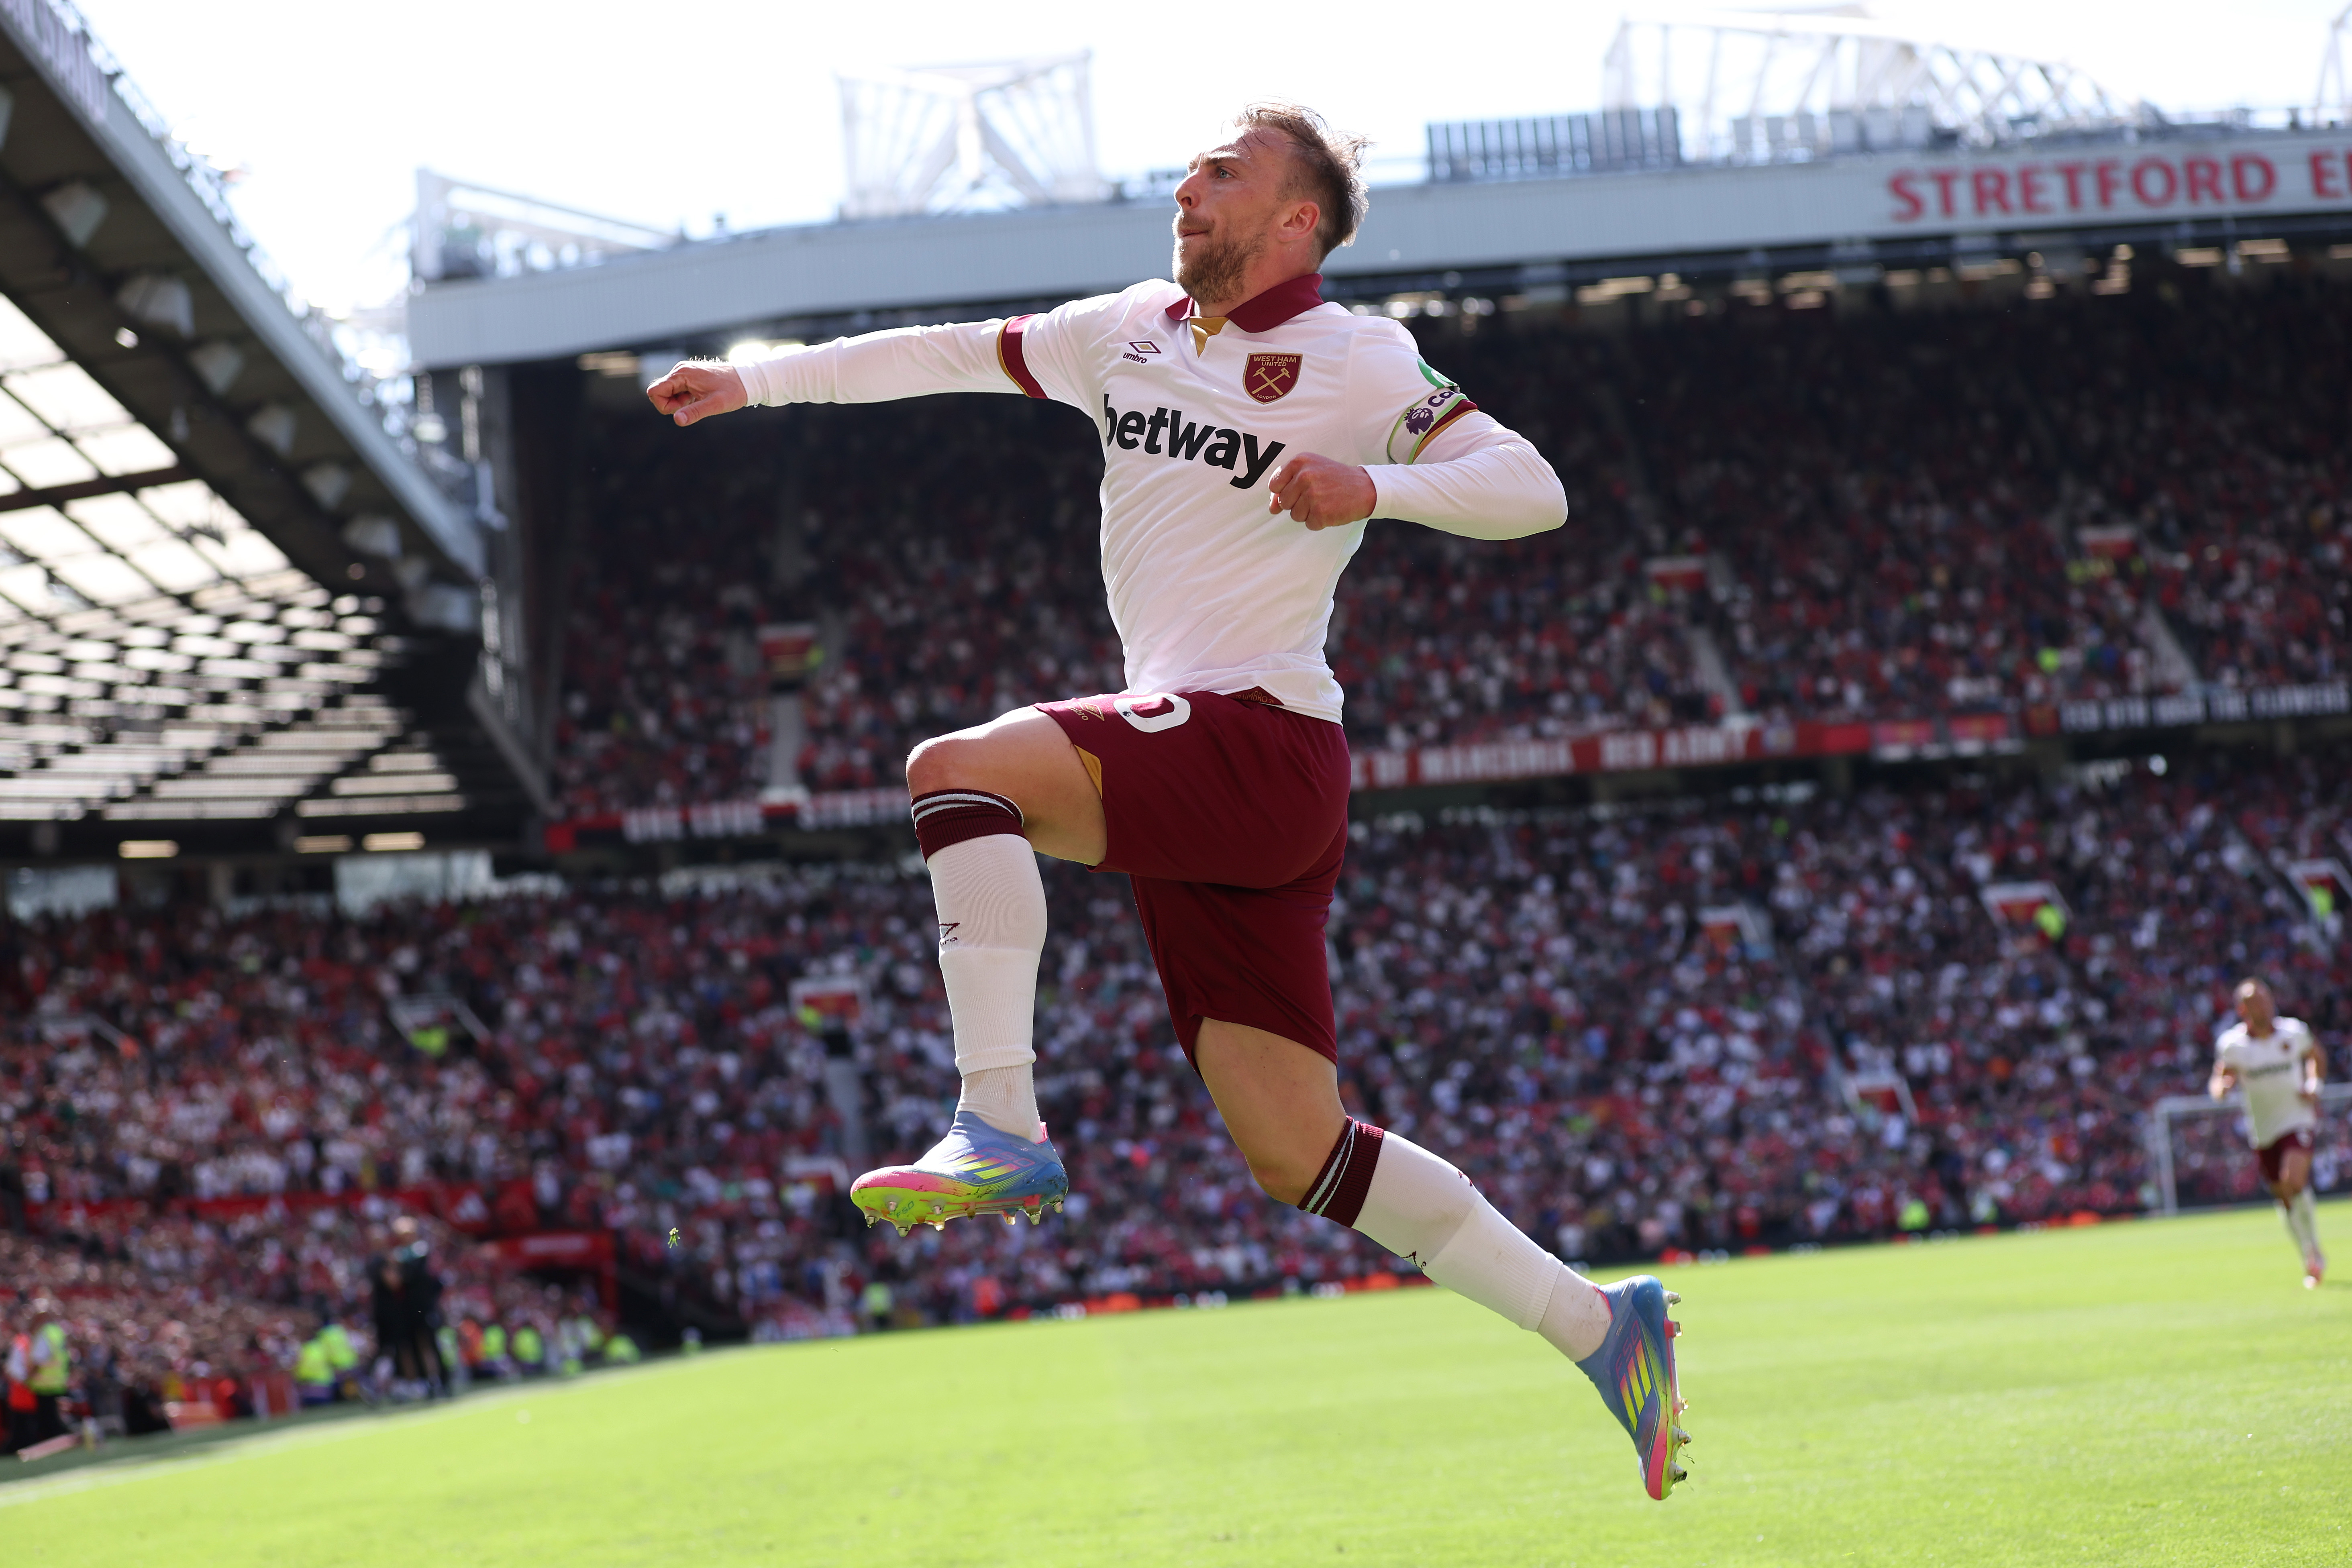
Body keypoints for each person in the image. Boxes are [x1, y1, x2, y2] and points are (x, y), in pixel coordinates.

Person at [649, 100, 1690, 1500]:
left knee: (956, 770)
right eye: (1191, 167)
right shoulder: (1122, 328)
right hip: (1218, 778)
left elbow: (1534, 488)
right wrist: (756, 382)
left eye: (1223, 171)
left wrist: (1376, 485)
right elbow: (949, 352)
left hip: (1255, 735)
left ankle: (999, 1124)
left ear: (1295, 220)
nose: (1186, 184)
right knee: (1296, 1150)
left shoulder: (1357, 354)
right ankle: (1597, 1324)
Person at [2209, 977, 2328, 1286]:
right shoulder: (2232, 1044)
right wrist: (2220, 1089)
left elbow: (2316, 1056)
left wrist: (2315, 1083)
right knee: (2282, 1194)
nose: (2265, 1003)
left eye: (2266, 997)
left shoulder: (2293, 1031)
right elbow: (2221, 1076)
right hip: (2262, 1130)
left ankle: (2315, 1250)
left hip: (2296, 1118)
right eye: (2256, 1000)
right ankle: (2306, 1251)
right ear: (2243, 1008)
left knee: (2294, 1180)